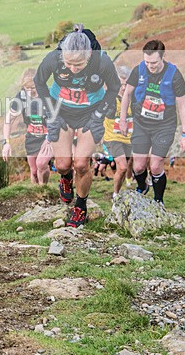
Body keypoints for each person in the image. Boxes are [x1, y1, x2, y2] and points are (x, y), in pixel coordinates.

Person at [34, 25, 120, 227]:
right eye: (69, 63)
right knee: (63, 164)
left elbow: (114, 87)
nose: (73, 69)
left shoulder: (102, 61)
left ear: (88, 55)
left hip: (90, 113)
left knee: (81, 164)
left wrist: (99, 113)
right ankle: (65, 178)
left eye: (79, 64)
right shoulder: (53, 58)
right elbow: (39, 81)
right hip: (61, 112)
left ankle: (80, 207)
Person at [120, 40, 185, 207]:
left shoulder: (174, 75)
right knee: (137, 167)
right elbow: (127, 95)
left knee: (156, 165)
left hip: (164, 125)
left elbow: (182, 106)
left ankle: (158, 200)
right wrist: (123, 119)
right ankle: (142, 186)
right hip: (141, 124)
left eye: (154, 62)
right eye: (147, 62)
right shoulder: (138, 70)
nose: (150, 66)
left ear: (163, 57)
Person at [2, 68, 51, 185]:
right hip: (32, 137)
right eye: (27, 88)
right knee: (34, 171)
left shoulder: (48, 95)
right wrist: (6, 142)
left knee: (41, 164)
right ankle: (37, 194)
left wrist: (49, 139)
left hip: (49, 136)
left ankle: (44, 191)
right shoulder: (21, 97)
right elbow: (9, 119)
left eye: (33, 88)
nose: (30, 92)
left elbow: (58, 120)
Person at [102, 65, 134, 195]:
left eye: (126, 84)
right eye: (120, 84)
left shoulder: (134, 98)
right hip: (112, 138)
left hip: (129, 138)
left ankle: (121, 188)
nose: (123, 88)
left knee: (124, 168)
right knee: (122, 166)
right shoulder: (108, 98)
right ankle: (115, 195)